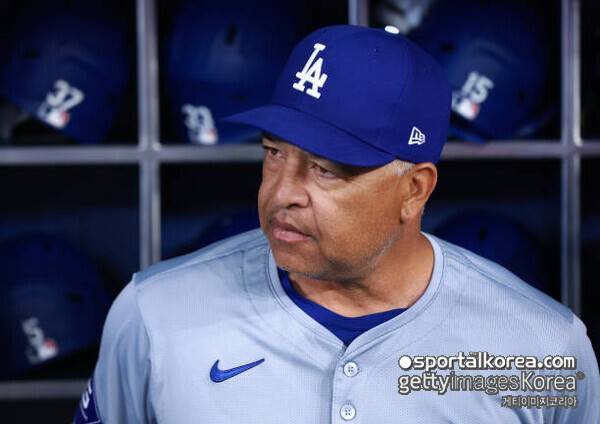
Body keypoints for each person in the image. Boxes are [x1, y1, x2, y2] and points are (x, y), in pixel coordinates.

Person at [74, 25, 600, 423]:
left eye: (325, 169)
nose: (282, 193)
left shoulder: (541, 348)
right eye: (273, 153)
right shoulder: (154, 313)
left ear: (414, 190)